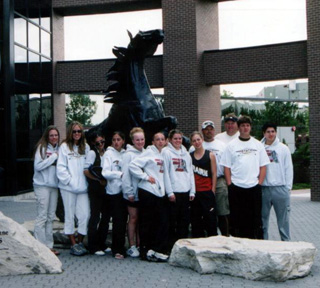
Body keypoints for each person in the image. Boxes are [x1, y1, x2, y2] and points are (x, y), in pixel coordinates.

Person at [220, 116, 270, 239]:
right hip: (236, 187)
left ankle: (255, 243)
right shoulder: (231, 146)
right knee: (237, 219)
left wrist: (259, 183)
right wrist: (229, 184)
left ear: (250, 127)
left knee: (255, 220)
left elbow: (263, 166)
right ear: (238, 127)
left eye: (247, 125)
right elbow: (226, 167)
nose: (245, 128)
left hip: (254, 187)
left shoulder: (258, 145)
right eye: (242, 125)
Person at [129, 132, 169, 262]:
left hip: (158, 193)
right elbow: (133, 165)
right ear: (152, 142)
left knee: (160, 221)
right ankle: (145, 251)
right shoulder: (149, 152)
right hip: (147, 191)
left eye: (162, 139)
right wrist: (145, 177)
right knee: (147, 222)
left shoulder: (162, 154)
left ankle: (156, 250)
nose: (160, 141)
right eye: (157, 139)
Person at [190, 120, 229, 236]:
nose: (209, 131)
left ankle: (225, 236)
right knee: (201, 214)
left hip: (219, 180)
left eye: (211, 129)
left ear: (214, 130)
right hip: (199, 186)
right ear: (203, 132)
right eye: (206, 129)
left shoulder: (221, 145)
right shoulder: (191, 151)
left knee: (222, 212)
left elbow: (224, 166)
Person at [57, 121, 90, 256]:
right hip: (68, 188)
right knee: (69, 215)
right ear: (70, 132)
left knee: (85, 215)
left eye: (79, 131)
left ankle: (80, 241)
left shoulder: (86, 147)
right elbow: (61, 168)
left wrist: (84, 183)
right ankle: (73, 244)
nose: (77, 134)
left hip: (83, 188)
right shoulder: (64, 147)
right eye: (74, 131)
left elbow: (88, 167)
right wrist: (70, 182)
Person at [162, 129, 195, 248]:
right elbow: (165, 173)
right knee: (172, 222)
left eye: (180, 138)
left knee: (184, 221)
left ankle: (182, 247)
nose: (178, 141)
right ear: (170, 140)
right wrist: (169, 192)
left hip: (185, 192)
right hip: (173, 193)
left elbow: (190, 172)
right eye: (175, 138)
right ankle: (170, 246)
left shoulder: (186, 154)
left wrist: (192, 190)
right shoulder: (166, 152)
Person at [261, 123, 293, 241]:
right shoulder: (259, 148)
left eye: (273, 131)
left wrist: (287, 188)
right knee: (262, 221)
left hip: (280, 188)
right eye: (268, 132)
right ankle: (264, 244)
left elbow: (288, 168)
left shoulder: (283, 148)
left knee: (283, 221)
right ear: (264, 133)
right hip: (264, 189)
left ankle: (286, 244)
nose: (271, 134)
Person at [33, 125, 60, 256]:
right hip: (42, 186)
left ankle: (49, 246)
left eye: (56, 135)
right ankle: (40, 247)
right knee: (42, 216)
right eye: (51, 135)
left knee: (50, 217)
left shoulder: (60, 149)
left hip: (54, 187)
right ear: (47, 137)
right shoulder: (42, 148)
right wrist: (53, 157)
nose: (54, 137)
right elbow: (37, 166)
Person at [102, 131, 127, 260]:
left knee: (122, 222)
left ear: (123, 141)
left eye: (119, 139)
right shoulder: (108, 154)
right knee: (117, 221)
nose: (116, 142)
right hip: (113, 192)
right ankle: (116, 249)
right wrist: (119, 174)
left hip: (125, 191)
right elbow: (105, 172)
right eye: (114, 139)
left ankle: (121, 247)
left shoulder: (125, 154)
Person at [84, 132, 110, 256]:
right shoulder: (92, 153)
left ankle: (102, 243)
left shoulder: (106, 153)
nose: (100, 144)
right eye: (97, 142)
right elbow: (86, 171)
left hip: (106, 189)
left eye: (102, 142)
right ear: (93, 143)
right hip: (95, 189)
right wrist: (98, 180)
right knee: (95, 217)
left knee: (105, 217)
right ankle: (92, 246)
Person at [122, 127, 145, 258]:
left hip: (144, 192)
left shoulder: (146, 152)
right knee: (133, 218)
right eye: (137, 139)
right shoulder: (128, 155)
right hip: (132, 193)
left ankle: (140, 244)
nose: (140, 142)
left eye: (142, 139)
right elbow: (125, 176)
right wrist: (129, 192)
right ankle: (131, 245)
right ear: (133, 140)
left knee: (141, 219)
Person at [189, 131, 218, 238]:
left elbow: (214, 173)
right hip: (195, 193)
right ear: (192, 143)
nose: (197, 142)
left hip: (207, 192)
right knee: (196, 222)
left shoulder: (210, 155)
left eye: (198, 139)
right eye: (194, 141)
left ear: (202, 140)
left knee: (210, 220)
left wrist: (213, 190)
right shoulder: (189, 156)